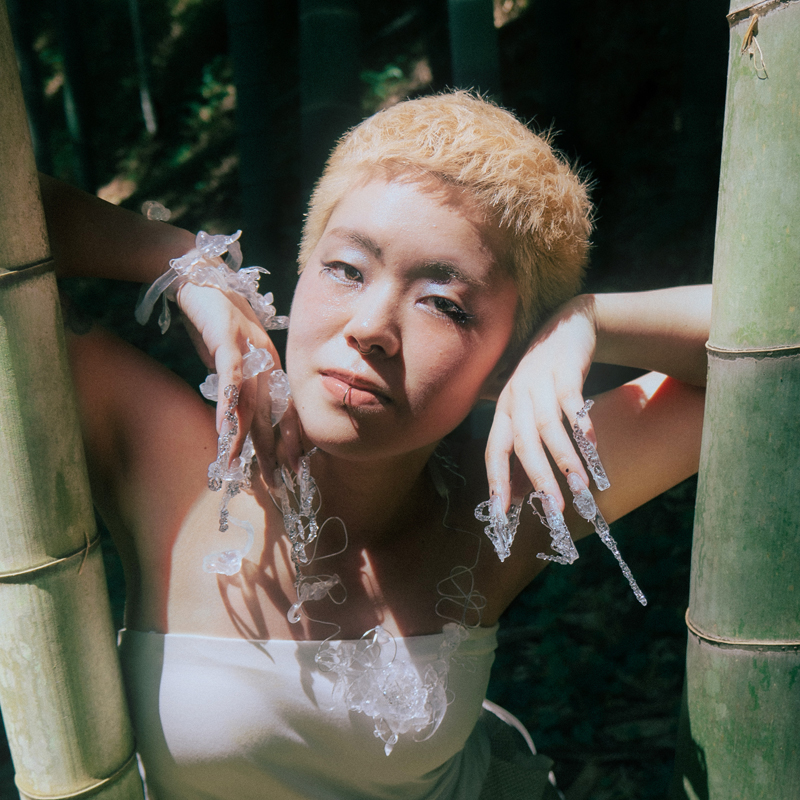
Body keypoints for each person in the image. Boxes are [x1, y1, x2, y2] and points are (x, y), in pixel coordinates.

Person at [42, 91, 709, 799]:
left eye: (444, 304)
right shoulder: (164, 457)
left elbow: (765, 356)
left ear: (503, 365)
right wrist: (184, 263)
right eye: (346, 269)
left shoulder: (503, 504)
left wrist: (586, 324)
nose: (371, 327)